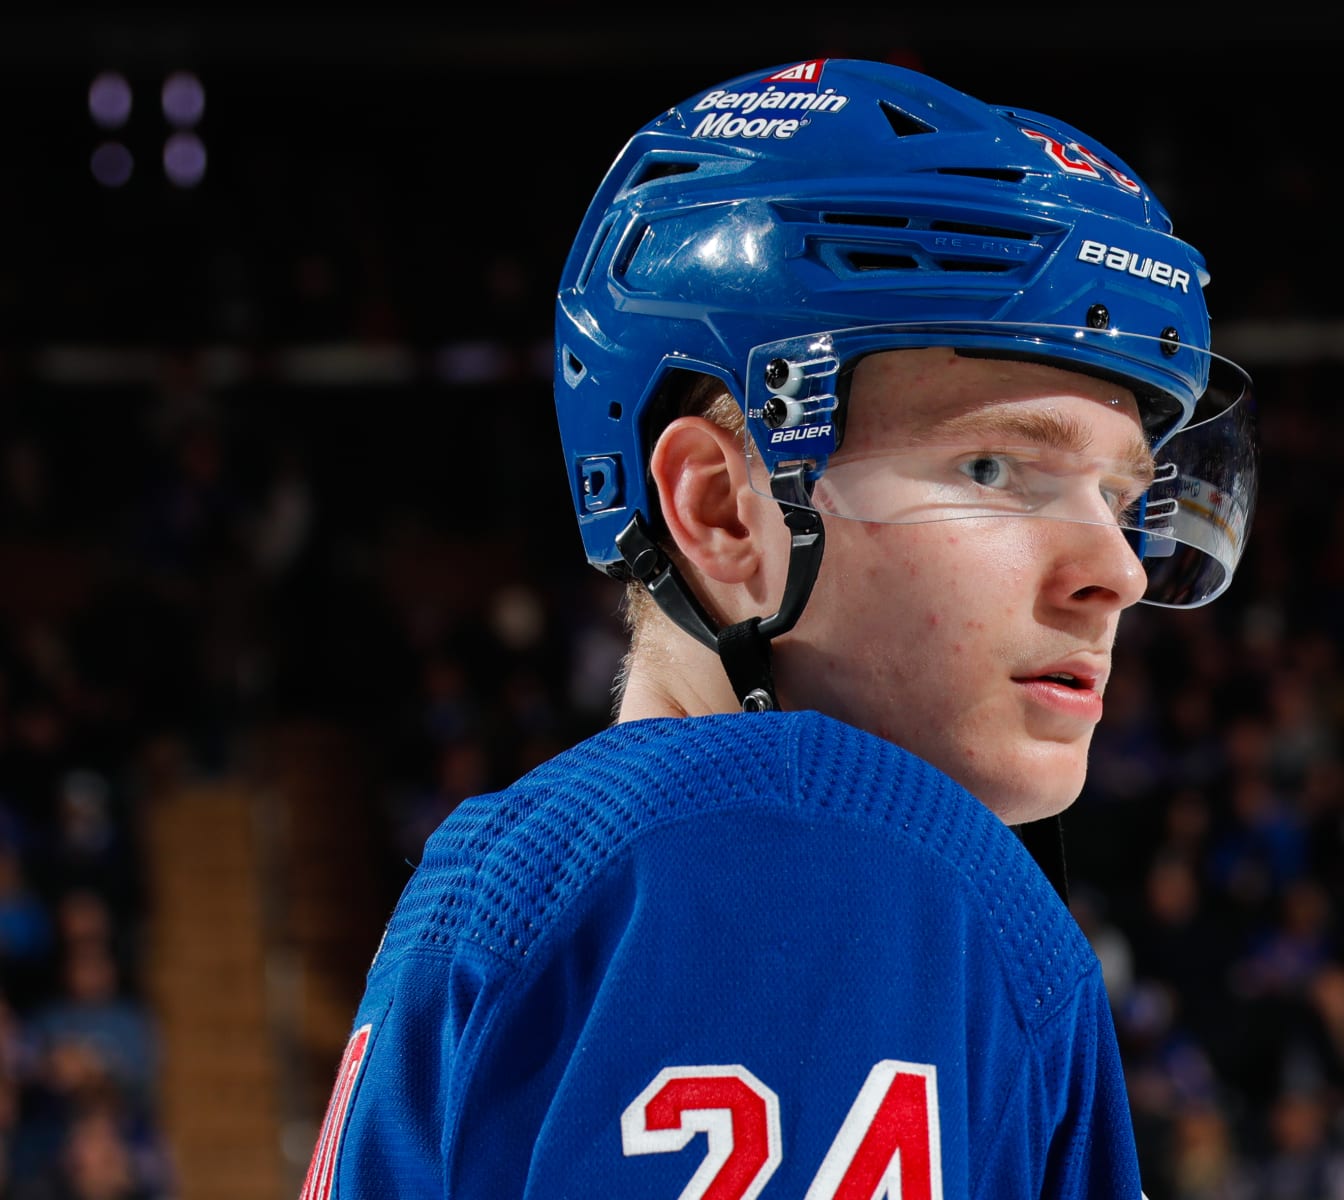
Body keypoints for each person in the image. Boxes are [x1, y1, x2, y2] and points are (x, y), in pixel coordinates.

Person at [301, 58, 1256, 1198]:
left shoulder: (565, 863)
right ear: (720, 508)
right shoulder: (805, 852)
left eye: (1121, 496)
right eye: (996, 465)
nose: (1113, 567)